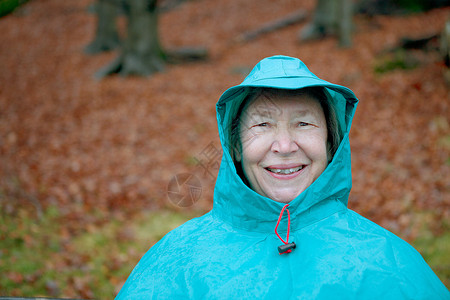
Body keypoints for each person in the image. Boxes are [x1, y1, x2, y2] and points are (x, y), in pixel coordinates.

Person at [115, 55, 449, 299]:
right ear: (235, 146)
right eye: (262, 125)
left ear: (332, 142)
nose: (285, 146)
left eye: (304, 123)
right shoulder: (178, 263)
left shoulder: (386, 261)